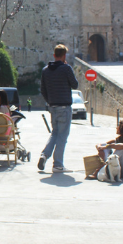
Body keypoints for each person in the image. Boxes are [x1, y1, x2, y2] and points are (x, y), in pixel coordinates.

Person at [38, 44, 79, 173]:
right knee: (62, 136)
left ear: (54, 55)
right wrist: (67, 68)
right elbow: (75, 85)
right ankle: (58, 164)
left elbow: (43, 90)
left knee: (54, 133)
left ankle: (45, 154)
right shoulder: (66, 69)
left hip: (53, 107)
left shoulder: (45, 70)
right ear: (64, 56)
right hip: (64, 107)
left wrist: (49, 101)